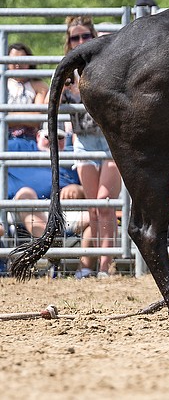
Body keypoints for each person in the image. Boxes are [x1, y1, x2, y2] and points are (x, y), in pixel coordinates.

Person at [62, 16, 122, 277]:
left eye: (86, 36)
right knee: (93, 208)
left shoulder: (104, 65)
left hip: (109, 140)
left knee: (105, 204)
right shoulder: (66, 71)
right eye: (75, 37)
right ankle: (89, 266)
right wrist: (66, 87)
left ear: (94, 37)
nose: (81, 41)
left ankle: (105, 267)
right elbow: (48, 103)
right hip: (84, 142)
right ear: (68, 42)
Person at [7, 124, 90, 276]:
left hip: (64, 211)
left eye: (60, 137)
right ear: (38, 136)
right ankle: (51, 245)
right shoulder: (18, 146)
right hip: (26, 210)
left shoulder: (73, 156)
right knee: (25, 194)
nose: (54, 141)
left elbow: (92, 191)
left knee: (93, 217)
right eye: (49, 136)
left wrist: (78, 189)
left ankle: (84, 271)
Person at [6, 43, 48, 141]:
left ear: (29, 62)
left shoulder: (39, 86)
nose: (17, 64)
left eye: (22, 59)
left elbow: (36, 119)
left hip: (29, 139)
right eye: (13, 60)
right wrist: (26, 115)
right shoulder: (2, 84)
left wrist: (9, 116)